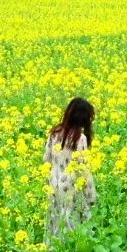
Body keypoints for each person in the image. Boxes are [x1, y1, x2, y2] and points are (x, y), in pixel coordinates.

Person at [44, 97, 98, 241]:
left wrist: (47, 181)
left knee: (55, 219)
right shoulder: (80, 139)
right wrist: (91, 195)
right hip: (71, 186)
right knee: (73, 222)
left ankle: (52, 249)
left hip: (53, 184)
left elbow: (46, 160)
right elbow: (83, 170)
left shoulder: (53, 133)